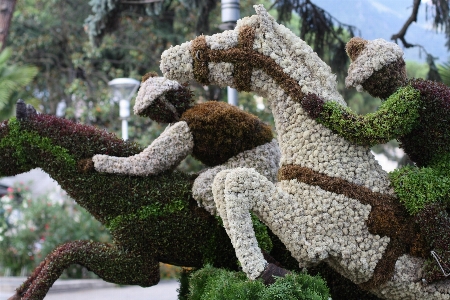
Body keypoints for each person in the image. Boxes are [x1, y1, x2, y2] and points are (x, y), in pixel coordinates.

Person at [300, 37, 450, 283]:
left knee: (410, 181)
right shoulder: (416, 90)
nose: (367, 88)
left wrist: (322, 110)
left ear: (389, 71)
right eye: (363, 85)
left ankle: (446, 254)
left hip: (445, 171)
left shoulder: (408, 98)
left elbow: (367, 131)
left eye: (367, 81)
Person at [93, 72, 280, 215]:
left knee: (204, 187)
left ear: (163, 104)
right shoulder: (199, 111)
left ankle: (246, 246)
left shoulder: (188, 124)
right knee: (196, 178)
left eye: (152, 112)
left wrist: (100, 163)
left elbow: (147, 164)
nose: (154, 118)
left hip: (259, 162)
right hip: (269, 155)